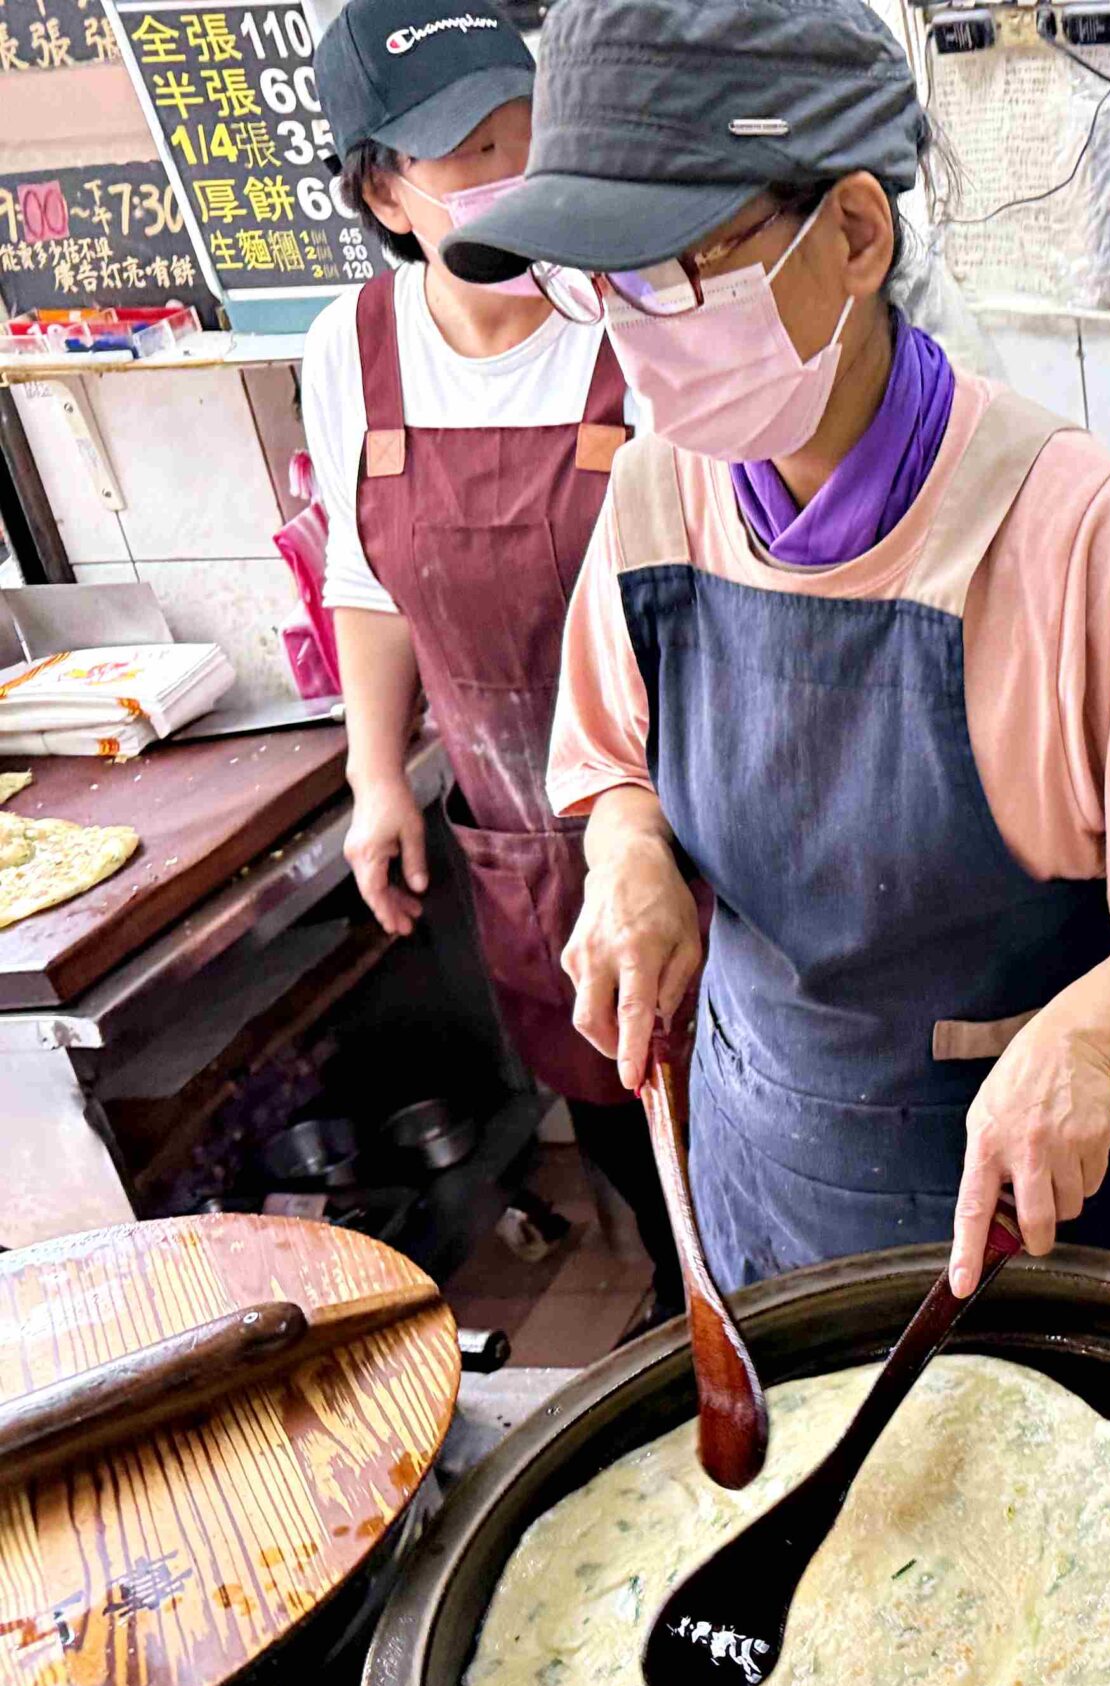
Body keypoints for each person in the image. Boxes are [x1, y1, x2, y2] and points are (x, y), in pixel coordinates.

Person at [440, 0, 1110, 1298]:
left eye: (671, 274)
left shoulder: (1070, 531)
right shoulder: (658, 498)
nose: (635, 339)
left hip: (1048, 1222)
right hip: (767, 1185)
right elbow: (610, 767)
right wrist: (629, 860)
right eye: (597, 289)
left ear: (851, 232)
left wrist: (1083, 1033)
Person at [306, 0, 688, 1321]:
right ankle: (670, 1290)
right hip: (520, 824)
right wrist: (375, 778)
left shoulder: (633, 308)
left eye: (535, 134)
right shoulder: (349, 352)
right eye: (473, 151)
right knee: (603, 1081)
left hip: (683, 791)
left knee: (728, 1069)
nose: (515, 174)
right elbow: (367, 578)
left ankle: (762, 1285)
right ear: (387, 192)